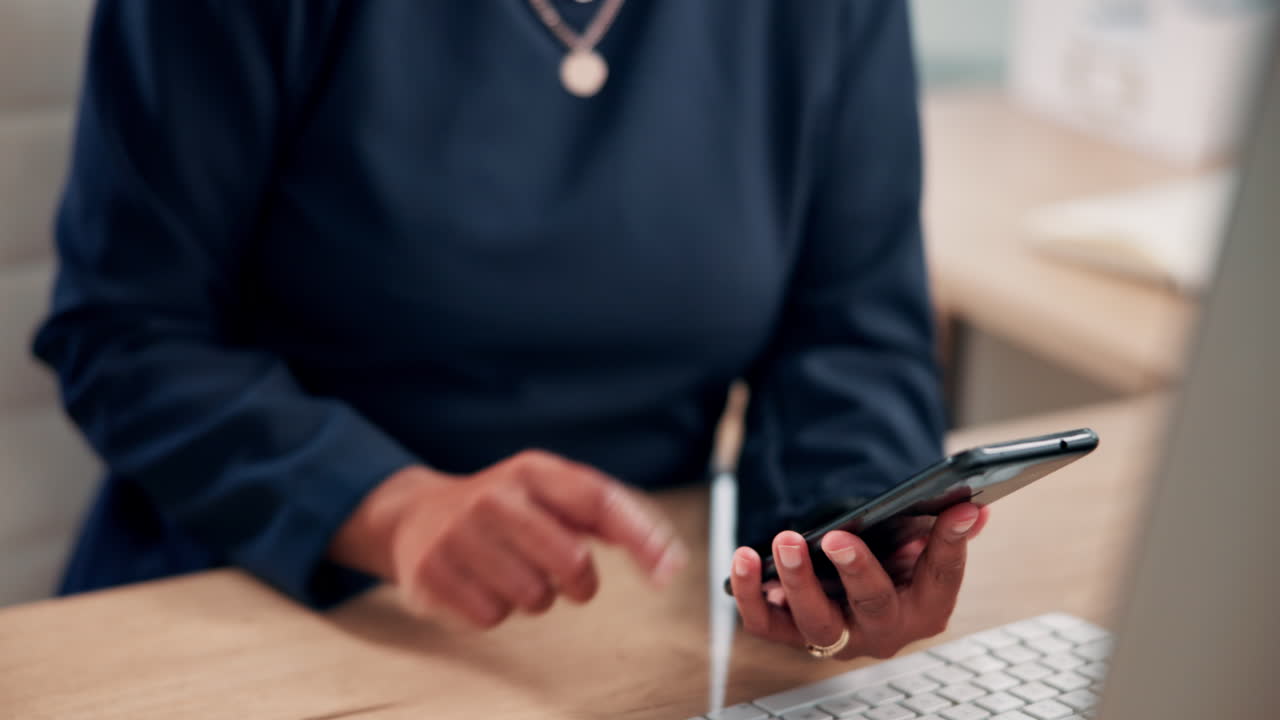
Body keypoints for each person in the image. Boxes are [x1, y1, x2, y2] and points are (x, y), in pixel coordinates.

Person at [34, 0, 988, 661]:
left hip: (636, 616)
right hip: (260, 593)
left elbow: (852, 329)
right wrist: (392, 507)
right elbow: (124, 331)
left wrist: (843, 536)